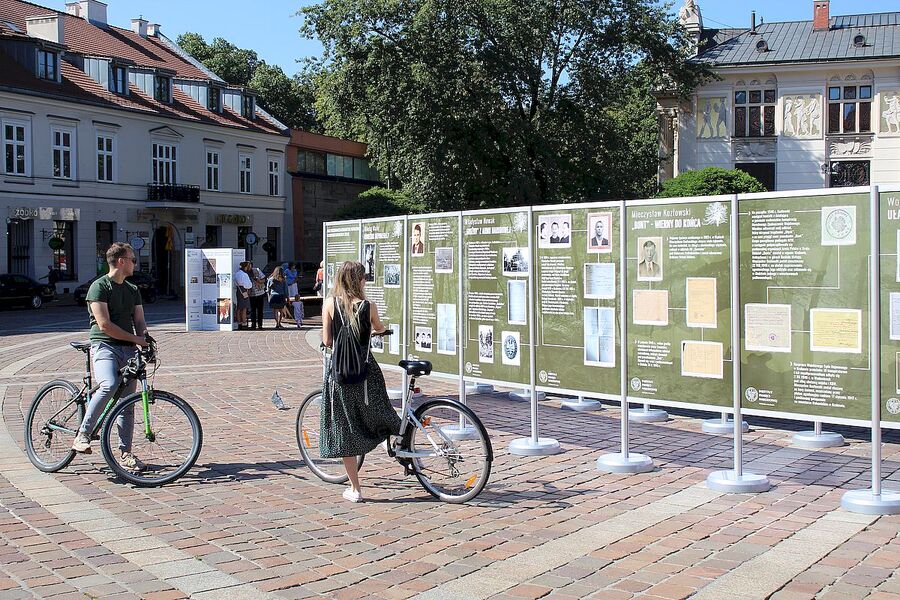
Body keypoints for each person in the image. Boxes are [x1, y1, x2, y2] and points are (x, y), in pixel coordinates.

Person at [320, 261, 401, 502]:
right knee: (380, 411)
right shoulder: (368, 306)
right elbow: (379, 328)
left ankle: (355, 489)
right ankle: (390, 440)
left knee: (345, 427)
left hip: (340, 374)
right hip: (367, 372)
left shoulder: (329, 304)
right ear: (358, 281)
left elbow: (327, 340)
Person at [71, 242, 149, 472]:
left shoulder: (132, 290)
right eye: (133, 259)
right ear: (121, 261)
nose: (136, 263)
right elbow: (104, 325)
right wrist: (137, 340)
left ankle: (126, 453)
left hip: (128, 350)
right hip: (105, 346)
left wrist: (145, 338)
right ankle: (82, 434)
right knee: (109, 385)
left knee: (127, 403)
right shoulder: (99, 287)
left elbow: (139, 321)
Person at [248, 261, 267, 330]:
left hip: (260, 292)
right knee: (253, 310)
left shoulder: (257, 270)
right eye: (247, 266)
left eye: (250, 265)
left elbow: (264, 279)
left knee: (260, 310)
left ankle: (260, 325)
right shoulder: (245, 272)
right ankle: (253, 325)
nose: (249, 267)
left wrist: (259, 281)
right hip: (252, 294)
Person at [234, 261, 252, 329]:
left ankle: (239, 323)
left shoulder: (237, 273)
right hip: (244, 290)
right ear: (246, 267)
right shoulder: (244, 274)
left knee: (239, 308)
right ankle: (244, 323)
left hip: (239, 290)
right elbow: (248, 285)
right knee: (244, 308)